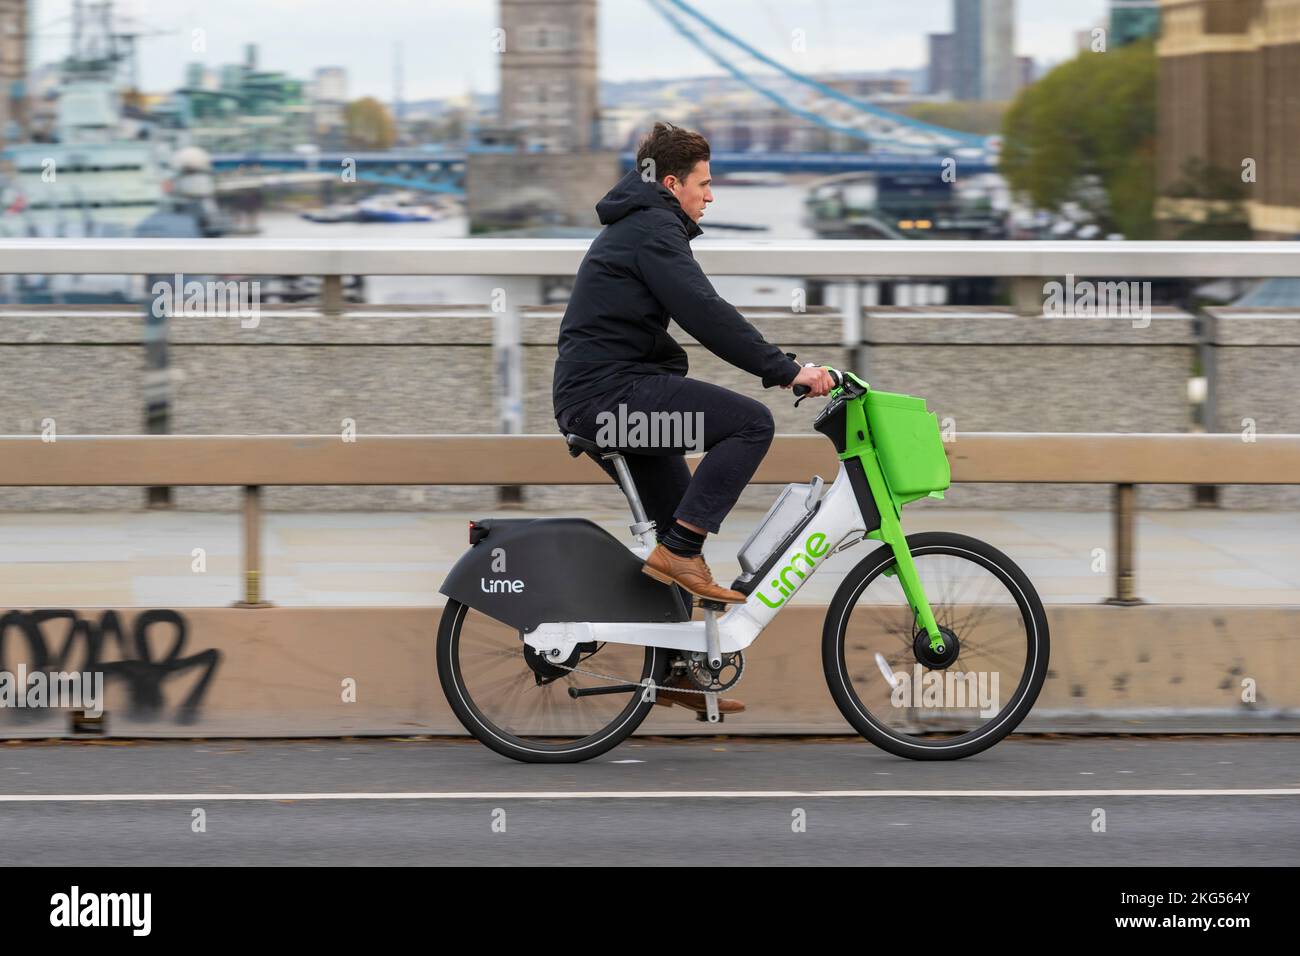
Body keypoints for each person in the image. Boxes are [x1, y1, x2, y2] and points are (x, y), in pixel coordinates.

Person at [552, 122, 833, 715]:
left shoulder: (644, 225)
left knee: (679, 524)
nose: (712, 195)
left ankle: (674, 667)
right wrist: (786, 370)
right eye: (705, 183)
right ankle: (677, 559)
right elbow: (705, 312)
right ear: (672, 181)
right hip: (610, 403)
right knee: (750, 424)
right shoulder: (652, 229)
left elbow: (700, 313)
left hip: (608, 401)